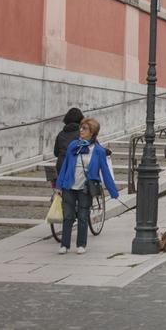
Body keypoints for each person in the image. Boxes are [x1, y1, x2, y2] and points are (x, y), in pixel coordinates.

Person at [55, 118, 119, 254]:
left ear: (92, 132)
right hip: (69, 186)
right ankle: (64, 245)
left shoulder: (99, 151)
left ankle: (81, 244)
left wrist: (113, 191)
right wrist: (58, 186)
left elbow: (105, 171)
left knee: (83, 216)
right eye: (81, 128)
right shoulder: (73, 145)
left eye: (84, 128)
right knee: (68, 216)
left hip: (85, 188)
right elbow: (65, 166)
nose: (81, 130)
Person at [52, 107, 83, 181]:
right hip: (76, 166)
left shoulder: (61, 134)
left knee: (64, 190)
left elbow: (56, 153)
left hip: (61, 165)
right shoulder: (82, 134)